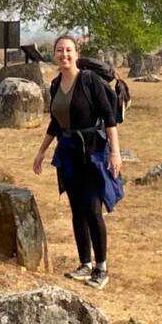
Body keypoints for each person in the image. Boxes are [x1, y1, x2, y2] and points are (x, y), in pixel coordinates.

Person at [32, 34, 123, 290]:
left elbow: (108, 117)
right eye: (60, 51)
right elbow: (55, 121)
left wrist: (115, 153)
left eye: (69, 50)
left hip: (93, 153)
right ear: (54, 54)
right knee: (76, 211)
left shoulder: (89, 80)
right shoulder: (54, 84)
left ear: (77, 53)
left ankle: (101, 267)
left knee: (93, 210)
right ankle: (84, 263)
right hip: (69, 153)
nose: (64, 55)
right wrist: (41, 152)